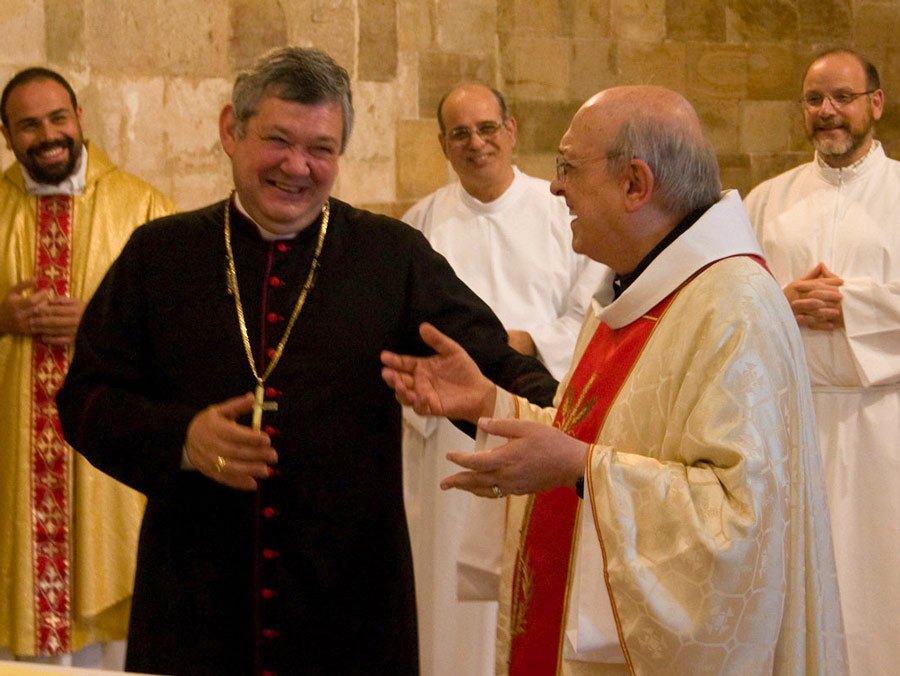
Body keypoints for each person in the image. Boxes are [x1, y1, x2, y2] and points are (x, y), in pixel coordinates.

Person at [55, 47, 556, 676]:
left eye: (321, 147)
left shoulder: (391, 256)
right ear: (229, 131)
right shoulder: (160, 256)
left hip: (350, 606)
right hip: (196, 602)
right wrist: (179, 438)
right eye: (277, 140)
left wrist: (563, 415)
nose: (298, 166)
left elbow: (493, 365)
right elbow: (86, 398)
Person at [381, 85, 848, 676]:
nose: (553, 186)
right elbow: (606, 436)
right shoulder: (640, 293)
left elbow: (738, 526)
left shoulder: (733, 308)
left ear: (635, 184)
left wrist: (582, 470)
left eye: (568, 168)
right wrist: (491, 404)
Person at [401, 83, 608, 676]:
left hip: (534, 417)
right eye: (460, 133)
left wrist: (519, 342)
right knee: (445, 591)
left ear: (512, 130)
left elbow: (588, 311)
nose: (477, 143)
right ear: (443, 143)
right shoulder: (422, 223)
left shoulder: (559, 206)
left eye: (487, 128)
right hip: (446, 431)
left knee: (527, 579)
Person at [0, 68, 177, 667]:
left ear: (78, 117)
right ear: (6, 135)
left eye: (57, 118)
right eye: (28, 125)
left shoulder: (144, 207)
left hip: (108, 466)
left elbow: (186, 323)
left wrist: (102, 325)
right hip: (11, 466)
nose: (47, 135)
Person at [744, 49, 899, 676]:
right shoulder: (764, 202)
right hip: (790, 425)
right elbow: (729, 300)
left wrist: (852, 307)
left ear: (875, 104)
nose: (826, 111)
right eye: (814, 100)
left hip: (883, 428)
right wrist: (780, 304)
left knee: (878, 587)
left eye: (841, 97)